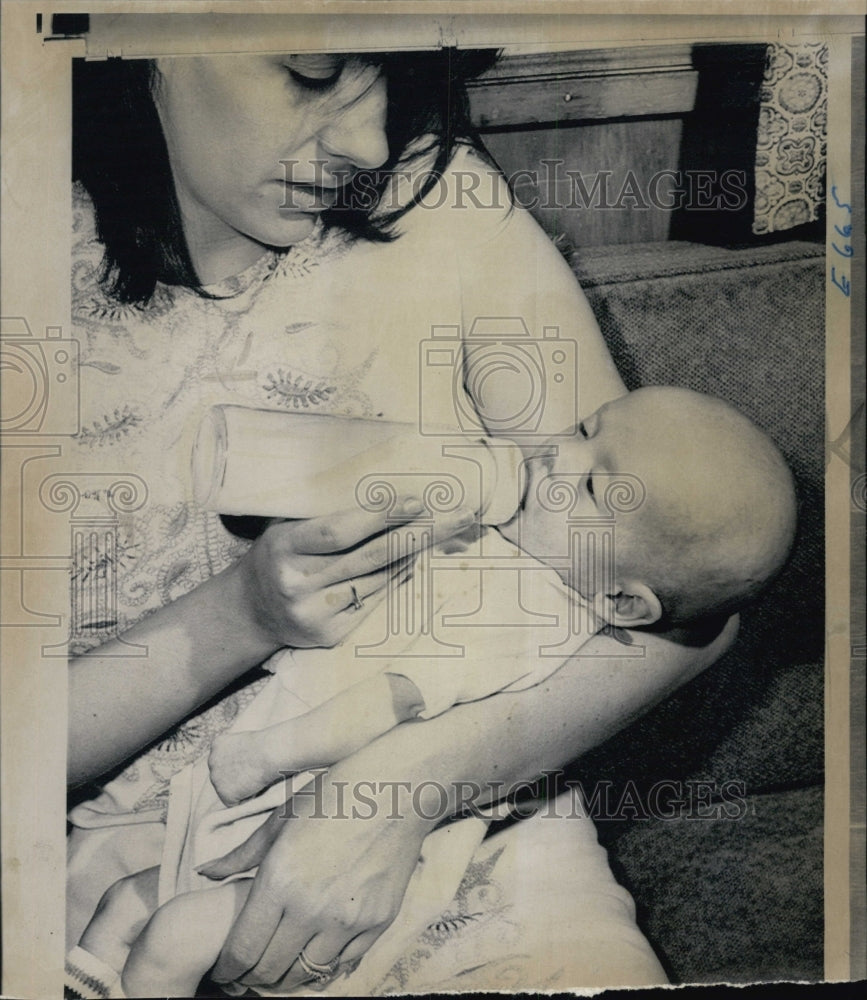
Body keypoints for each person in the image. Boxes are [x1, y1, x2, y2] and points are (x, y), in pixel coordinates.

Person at [67, 47, 742, 995]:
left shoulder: (436, 199)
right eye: (310, 71)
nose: (369, 140)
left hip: (471, 834)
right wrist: (245, 616)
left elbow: (682, 602)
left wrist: (396, 795)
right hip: (129, 865)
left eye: (394, 76)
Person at [66, 386, 796, 998]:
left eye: (593, 485)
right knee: (125, 901)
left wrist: (265, 753)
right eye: (581, 429)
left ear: (623, 601)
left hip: (372, 841)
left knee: (170, 934)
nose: (556, 453)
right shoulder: (506, 544)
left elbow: (390, 699)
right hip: (274, 810)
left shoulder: (524, 615)